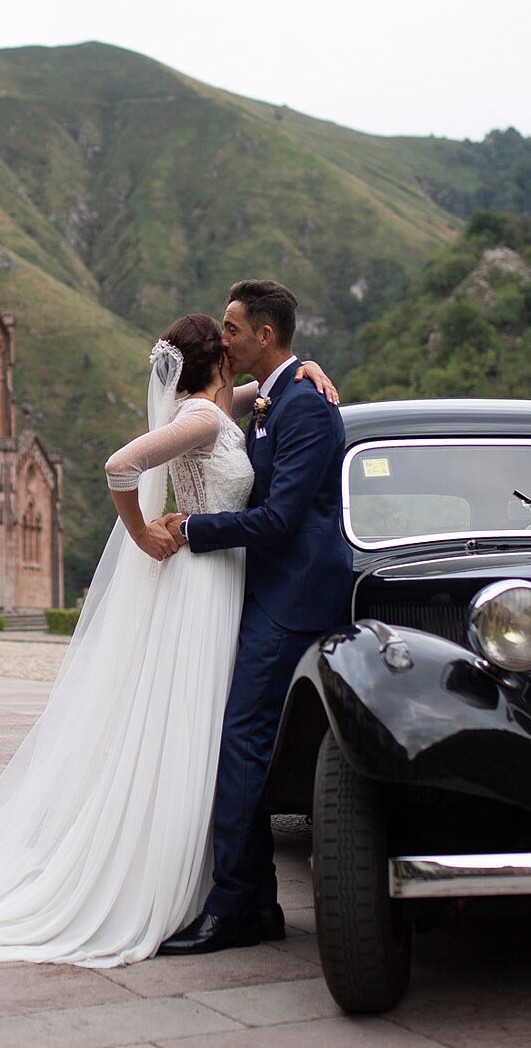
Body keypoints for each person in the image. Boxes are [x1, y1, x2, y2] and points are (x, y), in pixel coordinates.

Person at [0, 312, 335, 966]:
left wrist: (306, 369)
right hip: (202, 578)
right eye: (228, 337)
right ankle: (201, 884)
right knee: (194, 725)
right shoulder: (205, 417)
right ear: (217, 358)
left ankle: (229, 887)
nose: (237, 344)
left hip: (217, 581)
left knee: (199, 727)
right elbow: (119, 465)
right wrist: (142, 532)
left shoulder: (219, 405)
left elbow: (267, 391)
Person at [156, 279, 353, 955]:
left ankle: (236, 904)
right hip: (269, 592)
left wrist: (191, 528)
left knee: (240, 745)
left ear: (264, 335)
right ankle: (260, 903)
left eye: (235, 327)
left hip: (293, 600)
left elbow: (279, 519)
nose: (226, 338)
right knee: (238, 744)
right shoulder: (280, 393)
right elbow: (220, 408)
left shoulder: (303, 406)